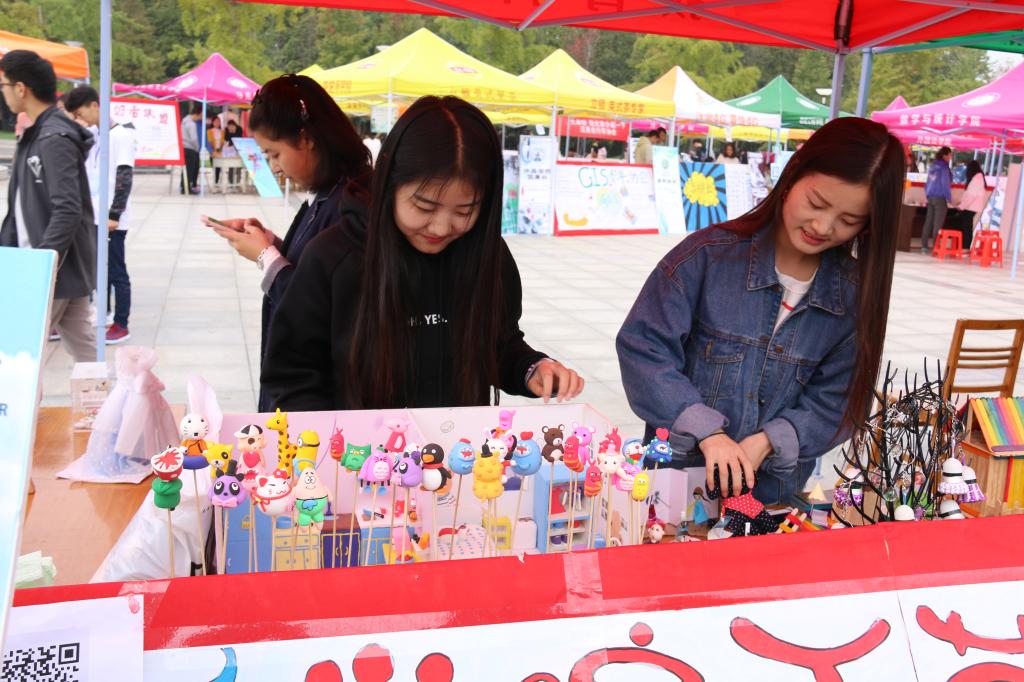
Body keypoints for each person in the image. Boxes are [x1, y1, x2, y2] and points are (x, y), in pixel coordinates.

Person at [616, 117, 905, 504]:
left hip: (772, 500)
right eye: (816, 203)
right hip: (674, 492)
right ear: (792, 175)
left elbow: (837, 403)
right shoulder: (706, 258)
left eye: (848, 220)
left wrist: (770, 440)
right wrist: (707, 431)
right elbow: (644, 350)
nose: (823, 226)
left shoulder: (853, 299)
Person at [261, 95, 584, 411]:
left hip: (458, 443)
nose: (441, 227)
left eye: (464, 211)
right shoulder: (333, 256)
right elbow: (292, 372)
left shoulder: (488, 255)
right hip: (355, 445)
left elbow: (497, 345)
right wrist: (325, 438)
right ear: (390, 184)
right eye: (424, 207)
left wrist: (531, 368)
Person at [202, 74, 372, 411]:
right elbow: (315, 266)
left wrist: (265, 256)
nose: (274, 167)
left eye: (274, 153)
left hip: (319, 395)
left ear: (306, 139)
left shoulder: (352, 203)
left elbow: (318, 305)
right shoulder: (330, 194)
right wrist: (270, 243)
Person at [0, 50, 97, 360]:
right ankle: (111, 391)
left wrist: (43, 263)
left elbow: (67, 208)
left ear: (20, 88)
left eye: (3, 85)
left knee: (20, 353)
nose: (2, 93)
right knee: (83, 348)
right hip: (59, 263)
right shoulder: (41, 132)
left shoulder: (52, 138)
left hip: (47, 265)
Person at [64, 85, 136, 344]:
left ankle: (122, 324)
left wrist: (114, 215)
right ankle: (104, 313)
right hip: (94, 215)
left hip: (112, 218)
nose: (79, 118)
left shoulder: (121, 135)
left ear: (95, 105)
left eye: (80, 112)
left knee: (117, 271)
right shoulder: (95, 134)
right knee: (98, 269)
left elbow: (124, 177)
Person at [921, 146, 952, 253]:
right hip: (940, 198)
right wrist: (949, 198)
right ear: (945, 155)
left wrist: (927, 195)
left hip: (930, 197)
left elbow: (927, 182)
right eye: (949, 155)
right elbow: (945, 183)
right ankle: (936, 248)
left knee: (928, 222)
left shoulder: (933, 166)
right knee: (937, 224)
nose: (950, 157)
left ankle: (924, 247)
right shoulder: (944, 167)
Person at [952, 159, 987, 249]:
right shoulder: (978, 178)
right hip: (971, 207)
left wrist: (961, 206)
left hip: (970, 207)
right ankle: (964, 247)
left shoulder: (977, 179)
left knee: (966, 227)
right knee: (967, 227)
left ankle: (965, 247)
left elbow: (971, 196)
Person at [180, 103, 201, 194]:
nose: (201, 118)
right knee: (190, 170)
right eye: (201, 116)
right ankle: (187, 188)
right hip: (190, 149)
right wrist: (197, 147)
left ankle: (183, 186)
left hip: (184, 147)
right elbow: (194, 139)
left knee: (186, 169)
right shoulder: (192, 124)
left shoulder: (184, 121)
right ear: (199, 114)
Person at [222, 119, 242, 187]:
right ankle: (231, 182)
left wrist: (233, 132)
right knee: (231, 166)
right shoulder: (227, 130)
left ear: (234, 125)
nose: (230, 127)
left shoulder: (239, 129)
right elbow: (227, 140)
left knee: (238, 166)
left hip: (238, 149)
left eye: (231, 126)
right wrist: (230, 133)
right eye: (229, 126)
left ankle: (237, 182)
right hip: (230, 151)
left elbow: (238, 138)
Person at [207, 115, 224, 187]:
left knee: (219, 167)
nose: (217, 123)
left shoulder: (222, 131)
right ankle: (215, 182)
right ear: (213, 122)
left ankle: (216, 182)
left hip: (220, 151)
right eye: (216, 121)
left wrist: (220, 148)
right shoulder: (209, 131)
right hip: (213, 151)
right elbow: (210, 141)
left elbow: (222, 141)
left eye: (218, 121)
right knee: (214, 166)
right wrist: (213, 150)